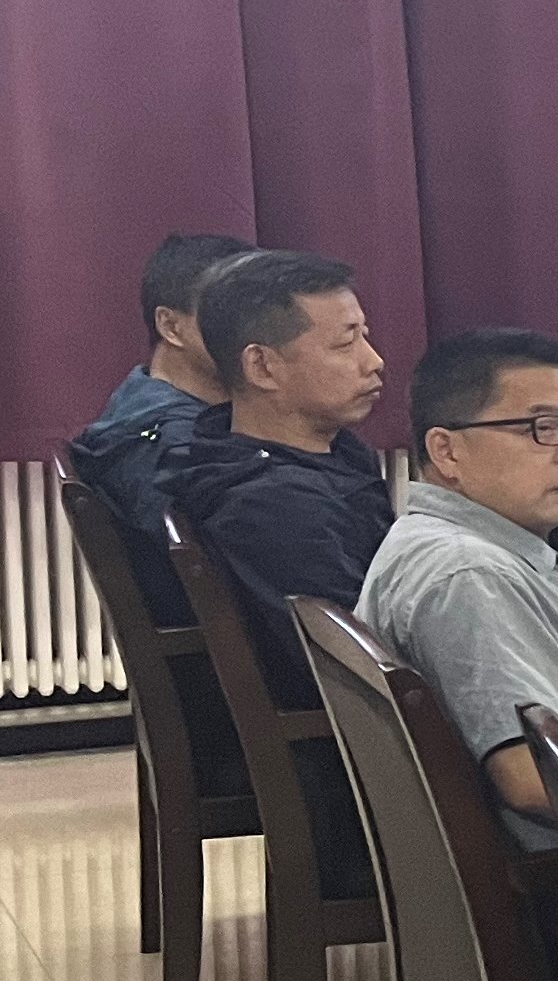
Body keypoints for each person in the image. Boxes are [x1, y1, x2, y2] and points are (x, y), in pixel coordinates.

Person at [357, 331, 558, 842]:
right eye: (543, 429)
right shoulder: (471, 574)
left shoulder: (482, 550)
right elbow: (534, 779)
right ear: (447, 451)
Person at [160, 249, 393, 706]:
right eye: (345, 344)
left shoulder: (332, 452)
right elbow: (364, 663)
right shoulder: (272, 505)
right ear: (262, 366)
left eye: (365, 337)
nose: (374, 361)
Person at [66, 233, 255, 551]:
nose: (260, 332)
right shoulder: (171, 443)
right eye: (234, 313)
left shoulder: (141, 397)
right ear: (170, 326)